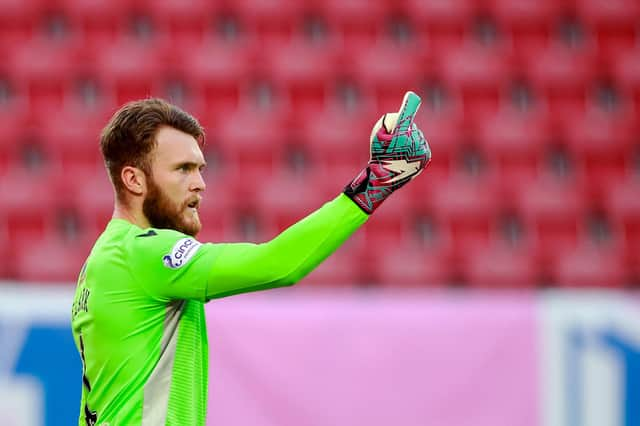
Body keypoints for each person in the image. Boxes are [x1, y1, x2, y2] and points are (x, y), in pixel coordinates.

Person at [70, 91, 431, 425]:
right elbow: (277, 264)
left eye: (200, 169)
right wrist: (376, 182)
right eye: (183, 169)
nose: (200, 183)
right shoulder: (144, 252)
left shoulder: (101, 261)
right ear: (134, 180)